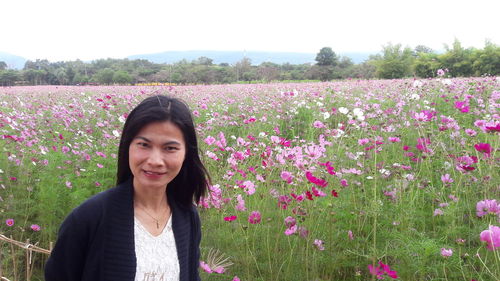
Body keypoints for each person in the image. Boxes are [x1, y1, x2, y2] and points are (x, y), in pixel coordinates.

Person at [45, 95, 209, 281]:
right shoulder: (88, 218)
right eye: (144, 145)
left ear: (187, 153)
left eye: (170, 148)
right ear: (127, 146)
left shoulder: (186, 215)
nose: (155, 161)